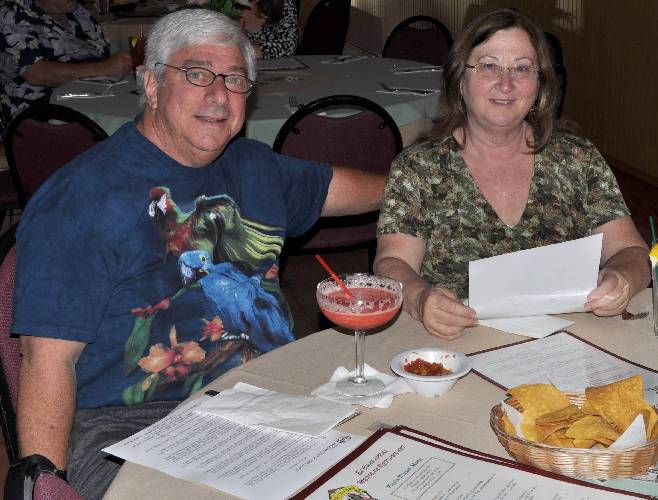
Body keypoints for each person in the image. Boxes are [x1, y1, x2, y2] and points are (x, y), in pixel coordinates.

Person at [6, 8, 384, 499]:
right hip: (130, 428)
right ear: (151, 84)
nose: (218, 95)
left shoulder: (252, 165)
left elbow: (344, 189)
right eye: (197, 74)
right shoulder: (82, 199)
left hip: (270, 400)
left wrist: (430, 183)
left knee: (391, 462)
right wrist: (45, 485)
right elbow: (45, 364)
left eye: (235, 79)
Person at [374, 8, 649, 341]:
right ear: (460, 79)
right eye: (489, 66)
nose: (505, 84)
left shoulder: (577, 158)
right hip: (457, 343)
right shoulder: (419, 167)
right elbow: (392, 263)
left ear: (539, 85)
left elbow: (631, 252)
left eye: (521, 68)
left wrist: (622, 279)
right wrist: (420, 299)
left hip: (569, 340)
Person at [0, 0, 133, 127]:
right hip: (40, 117)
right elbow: (35, 73)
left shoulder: (77, 11)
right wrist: (103, 68)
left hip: (91, 102)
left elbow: (101, 53)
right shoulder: (11, 13)